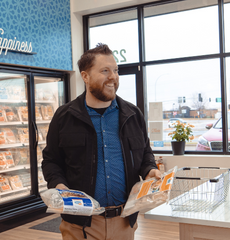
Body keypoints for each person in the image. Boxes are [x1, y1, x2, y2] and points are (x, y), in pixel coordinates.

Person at [41, 43, 161, 240]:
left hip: (124, 221)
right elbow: (51, 160)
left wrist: (150, 169)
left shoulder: (133, 115)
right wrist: (59, 185)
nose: (113, 76)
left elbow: (145, 153)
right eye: (105, 71)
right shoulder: (64, 116)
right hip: (79, 224)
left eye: (115, 70)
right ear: (85, 76)